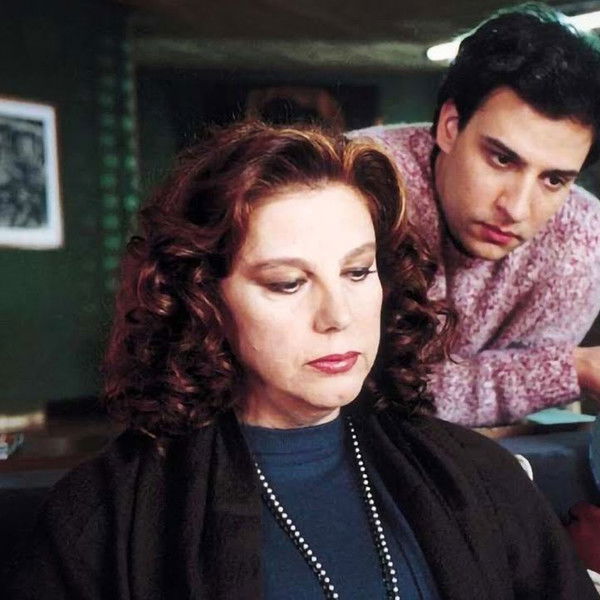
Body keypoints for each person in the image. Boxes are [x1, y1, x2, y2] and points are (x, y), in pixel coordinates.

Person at [5, 122, 596, 599]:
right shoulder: (102, 517)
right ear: (205, 299)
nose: (337, 315)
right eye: (288, 283)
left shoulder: (481, 476)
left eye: (357, 272)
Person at [350, 4, 600, 426]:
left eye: (554, 179)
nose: (516, 209)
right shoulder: (354, 183)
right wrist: (569, 370)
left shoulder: (584, 237)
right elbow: (359, 391)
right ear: (450, 126)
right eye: (501, 159)